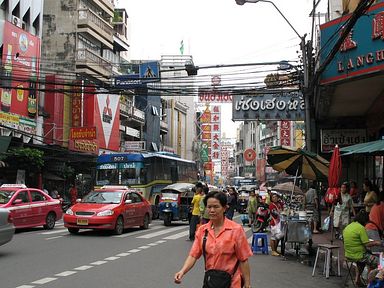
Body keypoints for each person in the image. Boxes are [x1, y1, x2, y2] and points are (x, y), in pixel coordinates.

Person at [174, 191, 253, 288]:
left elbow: (243, 259)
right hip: (211, 281)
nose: (212, 210)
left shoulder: (236, 230)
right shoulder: (202, 230)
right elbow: (193, 255)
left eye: (216, 207)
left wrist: (248, 284)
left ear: (224, 208)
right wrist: (182, 271)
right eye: (209, 207)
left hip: (232, 282)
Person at [343, 210, 383, 287]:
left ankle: (357, 280)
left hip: (348, 255)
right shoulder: (360, 228)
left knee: (361, 262)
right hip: (359, 255)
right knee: (380, 263)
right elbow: (367, 243)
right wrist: (377, 242)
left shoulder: (348, 227)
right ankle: (371, 284)